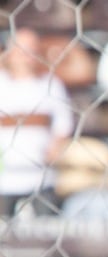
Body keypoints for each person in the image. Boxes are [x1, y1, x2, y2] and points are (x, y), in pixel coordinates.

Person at [0, 28, 75, 216]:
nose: (26, 57)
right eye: (21, 50)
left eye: (32, 51)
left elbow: (64, 124)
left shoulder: (50, 85)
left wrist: (55, 148)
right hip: (4, 178)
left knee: (43, 228)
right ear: (10, 52)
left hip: (41, 178)